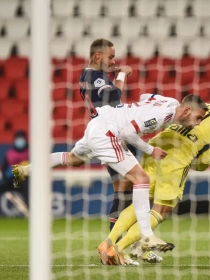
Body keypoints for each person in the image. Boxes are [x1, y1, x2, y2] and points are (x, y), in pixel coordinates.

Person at [12, 94, 208, 265]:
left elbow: (146, 96)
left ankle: (27, 170)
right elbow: (128, 133)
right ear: (187, 110)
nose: (198, 123)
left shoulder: (170, 102)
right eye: (198, 118)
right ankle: (147, 235)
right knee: (141, 179)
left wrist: (137, 111)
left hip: (98, 123)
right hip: (109, 134)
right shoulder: (162, 115)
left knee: (74, 159)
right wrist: (151, 150)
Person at [102, 97, 210, 266]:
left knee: (141, 202)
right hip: (178, 155)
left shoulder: (207, 106)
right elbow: (205, 159)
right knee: (162, 209)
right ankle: (118, 249)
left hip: (156, 146)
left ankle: (108, 243)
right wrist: (196, 164)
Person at [78, 38, 136, 242]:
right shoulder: (95, 76)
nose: (113, 61)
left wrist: (112, 71)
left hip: (105, 135)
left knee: (125, 189)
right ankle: (116, 243)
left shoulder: (88, 75)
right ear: (97, 55)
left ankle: (121, 242)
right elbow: (113, 95)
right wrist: (121, 74)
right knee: (131, 187)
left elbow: (101, 85)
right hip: (113, 138)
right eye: (110, 57)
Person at [0, 130, 29, 217]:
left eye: (21, 139)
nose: (19, 141)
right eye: (18, 139)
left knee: (27, 188)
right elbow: (3, 169)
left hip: (25, 180)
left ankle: (29, 210)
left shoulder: (30, 153)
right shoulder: (9, 154)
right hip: (11, 180)